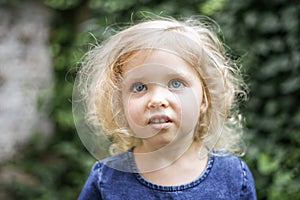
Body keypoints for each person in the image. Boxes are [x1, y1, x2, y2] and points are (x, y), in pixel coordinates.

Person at [76, 16, 257, 199]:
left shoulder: (233, 175)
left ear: (205, 98)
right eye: (140, 87)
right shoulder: (106, 178)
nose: (156, 100)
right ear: (120, 105)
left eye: (176, 83)